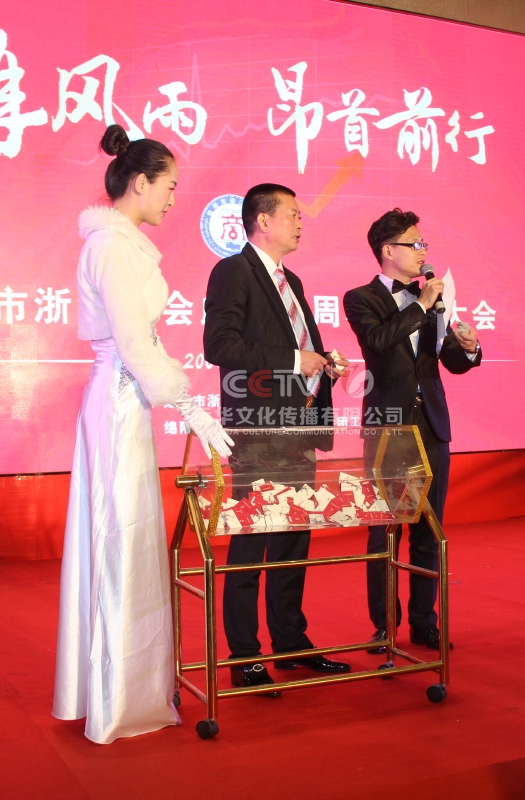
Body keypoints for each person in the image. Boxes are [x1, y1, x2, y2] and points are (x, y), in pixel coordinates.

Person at [54, 124, 233, 744]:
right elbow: (134, 344)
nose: (174, 199)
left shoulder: (123, 245)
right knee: (118, 541)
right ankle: (115, 701)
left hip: (127, 400)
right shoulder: (111, 247)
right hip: (119, 399)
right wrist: (192, 408)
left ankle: (123, 692)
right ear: (140, 182)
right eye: (170, 186)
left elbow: (141, 344)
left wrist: (184, 403)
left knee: (126, 539)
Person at [204, 183, 351, 694]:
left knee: (292, 542)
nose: (300, 221)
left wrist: (323, 363)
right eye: (292, 213)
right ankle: (245, 656)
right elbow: (219, 345)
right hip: (258, 432)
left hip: (299, 428)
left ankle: (290, 643)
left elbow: (298, 347)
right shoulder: (233, 271)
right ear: (262, 220)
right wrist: (293, 360)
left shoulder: (293, 280)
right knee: (251, 544)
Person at [344, 208, 481, 654]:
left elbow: (447, 361)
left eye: (424, 244)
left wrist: (469, 347)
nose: (423, 252)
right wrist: (421, 306)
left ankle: (425, 623)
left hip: (432, 424)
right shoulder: (361, 298)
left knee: (429, 530)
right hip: (388, 429)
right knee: (385, 531)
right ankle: (385, 627)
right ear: (389, 251)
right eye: (415, 244)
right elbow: (379, 343)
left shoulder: (433, 299)